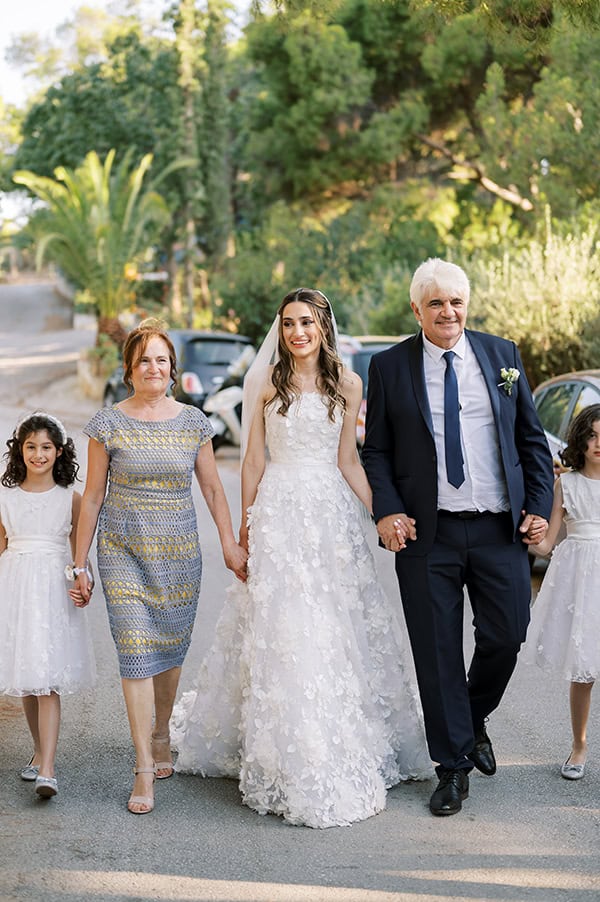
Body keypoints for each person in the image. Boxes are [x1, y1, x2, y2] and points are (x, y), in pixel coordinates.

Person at [170, 287, 432, 828]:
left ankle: (339, 733)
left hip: (332, 519)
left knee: (337, 625)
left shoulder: (349, 383)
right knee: (287, 625)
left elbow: (349, 462)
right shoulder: (263, 382)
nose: (296, 333)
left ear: (323, 326)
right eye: (288, 323)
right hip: (281, 513)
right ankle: (286, 748)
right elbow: (251, 463)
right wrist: (245, 530)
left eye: (306, 323)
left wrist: (384, 510)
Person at [362, 258, 554, 816]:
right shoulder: (390, 366)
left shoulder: (502, 357)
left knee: (507, 633)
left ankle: (471, 717)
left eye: (457, 301)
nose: (449, 312)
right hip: (429, 534)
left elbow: (531, 443)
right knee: (437, 651)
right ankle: (451, 768)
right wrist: (388, 511)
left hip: (499, 528)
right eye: (437, 303)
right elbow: (376, 449)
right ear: (417, 309)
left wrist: (538, 508)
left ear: (467, 305)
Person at [71, 319, 247, 815]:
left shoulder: (193, 422)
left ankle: (163, 728)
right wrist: (78, 564)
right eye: (144, 359)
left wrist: (230, 545)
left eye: (161, 359)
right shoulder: (108, 424)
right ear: (130, 369)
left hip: (179, 554)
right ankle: (143, 765)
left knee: (169, 652)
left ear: (173, 370)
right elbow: (91, 498)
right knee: (134, 651)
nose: (153, 367)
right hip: (122, 550)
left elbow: (213, 488)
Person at [0, 412, 96, 800]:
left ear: (59, 452)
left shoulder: (69, 498)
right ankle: (39, 751)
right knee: (27, 675)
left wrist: (82, 577)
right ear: (19, 451)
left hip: (52, 591)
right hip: (16, 587)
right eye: (31, 447)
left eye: (46, 447)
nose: (38, 454)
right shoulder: (5, 498)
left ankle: (49, 770)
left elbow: (80, 552)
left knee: (47, 679)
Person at [523, 403, 600, 780]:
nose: (599, 443)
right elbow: (547, 543)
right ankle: (579, 745)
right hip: (581, 581)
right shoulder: (565, 484)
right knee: (583, 671)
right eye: (592, 435)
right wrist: (526, 533)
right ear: (581, 440)